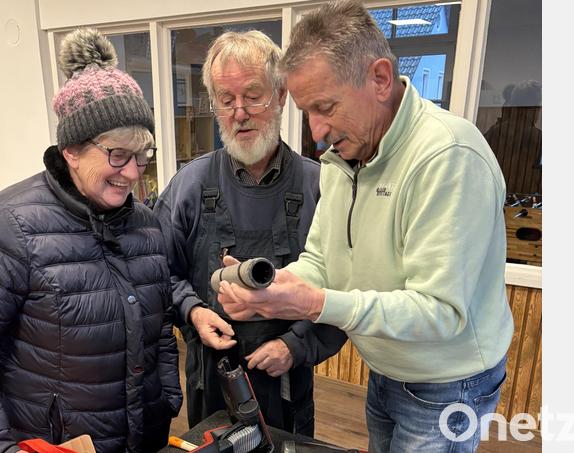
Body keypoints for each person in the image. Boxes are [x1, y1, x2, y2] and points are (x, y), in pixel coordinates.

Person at [216, 2, 514, 452]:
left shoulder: (448, 157)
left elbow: (440, 312)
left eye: (325, 106)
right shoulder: (344, 157)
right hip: (388, 369)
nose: (317, 131)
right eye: (306, 111)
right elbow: (322, 259)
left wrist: (315, 304)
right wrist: (275, 291)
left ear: (378, 78)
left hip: (446, 385)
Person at [0, 28, 181, 453]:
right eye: (118, 155)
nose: (133, 173)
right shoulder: (4, 226)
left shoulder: (146, 225)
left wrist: (165, 396)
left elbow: (158, 323)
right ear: (71, 149)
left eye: (142, 156)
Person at [153, 30, 347, 436]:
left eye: (253, 95)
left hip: (288, 387)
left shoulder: (323, 187)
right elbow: (157, 274)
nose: (239, 112)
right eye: (226, 100)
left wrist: (295, 346)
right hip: (211, 384)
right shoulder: (189, 187)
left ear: (279, 96)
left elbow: (346, 291)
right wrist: (193, 310)